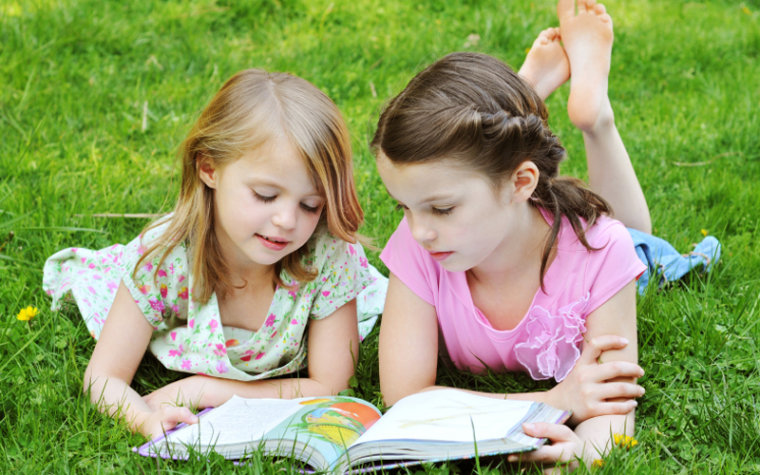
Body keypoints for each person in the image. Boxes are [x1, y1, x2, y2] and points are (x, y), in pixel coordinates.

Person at [372, 0, 648, 468]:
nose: (418, 231)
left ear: (522, 183)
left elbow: (611, 403)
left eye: (441, 207)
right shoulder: (422, 243)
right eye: (404, 207)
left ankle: (593, 117)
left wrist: (589, 449)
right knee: (480, 167)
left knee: (637, 236)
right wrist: (556, 401)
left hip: (586, 243)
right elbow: (405, 395)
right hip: (515, 208)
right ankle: (516, 103)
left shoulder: (601, 249)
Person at [43, 69, 386, 439]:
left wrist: (199, 389)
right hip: (178, 305)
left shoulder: (326, 255)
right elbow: (103, 376)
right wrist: (142, 418)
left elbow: (332, 387)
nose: (287, 221)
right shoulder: (164, 259)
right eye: (265, 195)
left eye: (310, 204)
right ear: (209, 169)